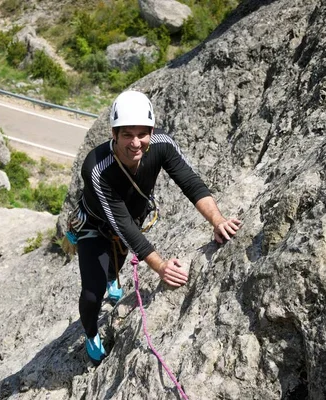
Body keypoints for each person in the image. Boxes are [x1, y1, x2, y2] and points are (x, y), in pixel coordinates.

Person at [72, 90, 241, 365]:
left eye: (142, 134)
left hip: (131, 218)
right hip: (95, 225)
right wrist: (161, 266)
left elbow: (190, 182)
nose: (136, 143)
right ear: (113, 134)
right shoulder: (97, 168)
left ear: (151, 130)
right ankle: (91, 333)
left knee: (115, 264)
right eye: (127, 134)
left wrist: (217, 220)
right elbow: (123, 226)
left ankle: (112, 275)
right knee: (93, 293)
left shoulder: (161, 144)